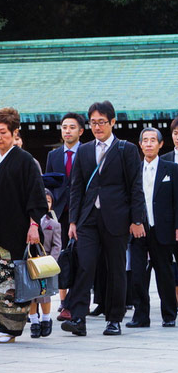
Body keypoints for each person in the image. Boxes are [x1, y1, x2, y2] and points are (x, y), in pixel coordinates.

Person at [62, 101, 145, 337]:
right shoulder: (85, 150)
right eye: (93, 122)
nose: (97, 127)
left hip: (117, 218)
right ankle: (78, 316)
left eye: (102, 122)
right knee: (85, 264)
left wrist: (136, 219)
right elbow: (76, 187)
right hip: (88, 218)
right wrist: (73, 221)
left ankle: (114, 318)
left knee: (115, 269)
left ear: (112, 122)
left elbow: (135, 187)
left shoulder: (126, 149)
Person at [0, 108, 47, 344]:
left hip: (16, 229)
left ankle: (11, 328)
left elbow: (36, 196)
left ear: (15, 133)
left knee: (11, 280)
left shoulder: (25, 161)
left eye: (3, 132)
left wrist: (34, 225)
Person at [127, 128, 178, 328]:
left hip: (163, 228)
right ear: (140, 145)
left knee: (165, 273)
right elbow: (128, 199)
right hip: (139, 228)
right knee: (138, 274)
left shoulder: (171, 169)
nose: (149, 144)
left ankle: (169, 314)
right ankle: (141, 316)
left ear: (160, 144)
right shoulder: (134, 170)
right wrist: (133, 222)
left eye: (152, 140)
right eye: (145, 140)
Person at [45, 113, 85, 320]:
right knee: (60, 256)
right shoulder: (53, 156)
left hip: (82, 212)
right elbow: (48, 185)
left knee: (79, 257)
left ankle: (74, 301)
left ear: (81, 131)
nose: (67, 130)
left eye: (72, 127)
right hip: (59, 213)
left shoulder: (87, 152)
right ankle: (63, 301)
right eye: (64, 127)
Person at [29, 189, 62, 337]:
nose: (45, 203)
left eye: (48, 201)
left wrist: (52, 260)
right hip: (31, 261)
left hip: (45, 263)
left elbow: (57, 244)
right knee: (31, 294)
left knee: (45, 294)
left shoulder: (53, 224)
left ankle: (46, 319)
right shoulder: (28, 222)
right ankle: (34, 321)